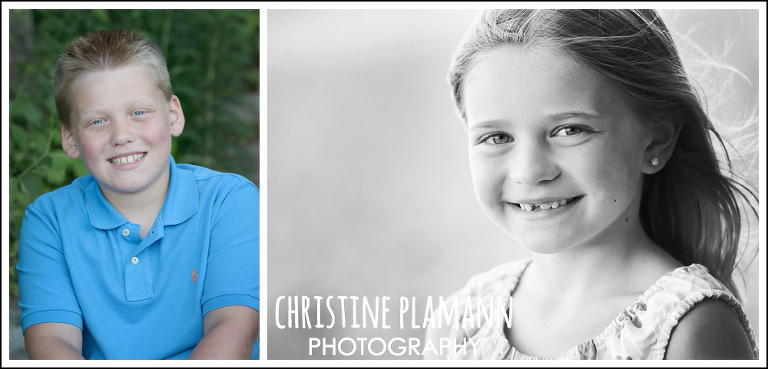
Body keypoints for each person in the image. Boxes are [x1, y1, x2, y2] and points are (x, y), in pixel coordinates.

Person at [426, 9, 758, 360]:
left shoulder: (688, 328)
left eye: (570, 130)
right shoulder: (461, 322)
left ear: (656, 140)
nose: (529, 172)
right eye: (496, 137)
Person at [16, 29, 260, 360]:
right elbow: (52, 341)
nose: (121, 135)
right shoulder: (49, 221)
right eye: (98, 121)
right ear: (71, 139)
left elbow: (233, 325)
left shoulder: (229, 201)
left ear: (173, 115)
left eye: (138, 113)